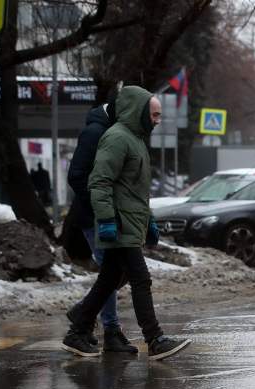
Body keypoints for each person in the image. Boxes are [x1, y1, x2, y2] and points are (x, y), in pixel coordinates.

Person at [60, 85, 191, 361]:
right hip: (117, 224)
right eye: (154, 115)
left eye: (158, 116)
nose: (157, 121)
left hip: (129, 222)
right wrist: (106, 219)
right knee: (140, 279)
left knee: (110, 279)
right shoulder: (117, 138)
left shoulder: (135, 139)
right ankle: (154, 339)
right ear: (138, 112)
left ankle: (79, 325)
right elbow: (99, 182)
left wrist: (149, 222)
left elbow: (136, 191)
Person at [66, 90, 136, 354]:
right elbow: (77, 175)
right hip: (93, 216)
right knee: (111, 272)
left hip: (107, 214)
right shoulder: (95, 132)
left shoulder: (112, 131)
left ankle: (85, 314)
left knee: (117, 271)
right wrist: (101, 206)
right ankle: (106, 330)